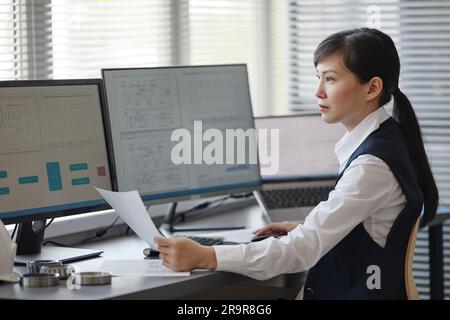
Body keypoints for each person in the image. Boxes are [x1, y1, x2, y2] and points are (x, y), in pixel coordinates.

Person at [155, 28, 439, 299]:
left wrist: (206, 255)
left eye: (330, 79)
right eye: (318, 77)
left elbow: (299, 252)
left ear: (371, 88)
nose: (318, 92)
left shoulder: (371, 166)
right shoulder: (388, 138)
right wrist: (308, 228)